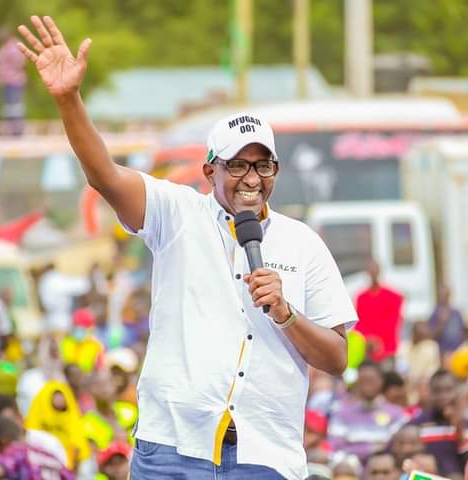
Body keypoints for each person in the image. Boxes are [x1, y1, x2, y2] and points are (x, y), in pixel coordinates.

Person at [18, 15, 355, 480]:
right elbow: (104, 175)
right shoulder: (177, 215)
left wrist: (286, 312)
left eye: (263, 165)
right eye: (238, 165)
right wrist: (69, 99)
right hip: (174, 448)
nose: (252, 179)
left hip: (265, 455)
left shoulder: (304, 245)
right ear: (209, 171)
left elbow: (337, 357)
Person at [328, 361, 407, 464]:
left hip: (385, 466)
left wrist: (357, 450)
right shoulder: (342, 413)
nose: (367, 385)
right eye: (363, 381)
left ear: (381, 381)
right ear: (357, 382)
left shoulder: (396, 413)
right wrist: (372, 450)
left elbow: (397, 446)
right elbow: (336, 447)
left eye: (371, 380)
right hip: (352, 466)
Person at [409, 369, 468, 477]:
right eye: (437, 391)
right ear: (429, 392)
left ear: (457, 391)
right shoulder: (416, 425)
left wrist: (458, 426)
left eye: (448, 390)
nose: (443, 396)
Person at [354, 259, 404, 364]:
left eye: (375, 270)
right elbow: (358, 324)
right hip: (367, 351)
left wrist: (377, 341)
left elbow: (393, 323)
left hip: (386, 350)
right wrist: (368, 339)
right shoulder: (361, 298)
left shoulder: (393, 296)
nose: (373, 273)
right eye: (370, 270)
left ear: (379, 271)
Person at [0, 27, 27, 136]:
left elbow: (20, 62)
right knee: (8, 107)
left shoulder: (14, 46)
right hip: (7, 82)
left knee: (15, 106)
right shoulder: (5, 47)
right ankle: (10, 130)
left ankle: (17, 131)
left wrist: (9, 72)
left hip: (14, 81)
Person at [429, 285, 466, 359]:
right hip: (442, 353)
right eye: (442, 295)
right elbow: (431, 336)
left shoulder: (456, 313)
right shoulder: (435, 313)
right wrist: (441, 322)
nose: (444, 297)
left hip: (457, 353)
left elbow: (462, 333)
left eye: (446, 295)